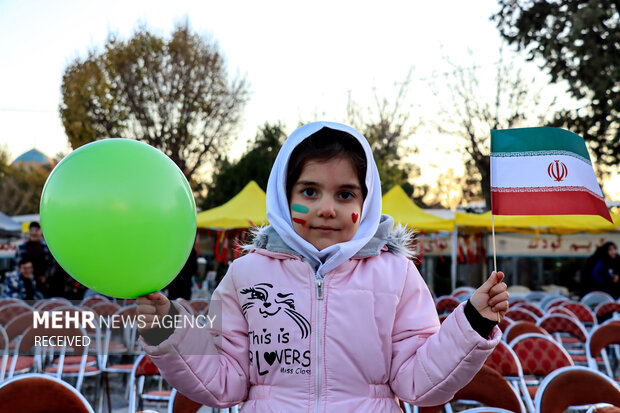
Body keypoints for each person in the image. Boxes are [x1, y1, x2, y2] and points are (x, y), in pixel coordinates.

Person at [136, 122, 508, 411]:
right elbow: (223, 380)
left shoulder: (397, 275)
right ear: (285, 196)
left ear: (367, 201)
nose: (327, 208)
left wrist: (473, 321)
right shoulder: (243, 274)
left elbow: (419, 383)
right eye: (309, 192)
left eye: (345, 194)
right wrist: (167, 330)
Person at [15, 221, 52, 297]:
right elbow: (17, 266)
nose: (34, 233)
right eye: (32, 230)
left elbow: (51, 265)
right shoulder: (21, 248)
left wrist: (45, 276)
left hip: (43, 284)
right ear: (29, 232)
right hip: (26, 285)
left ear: (41, 232)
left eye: (36, 230)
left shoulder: (46, 248)